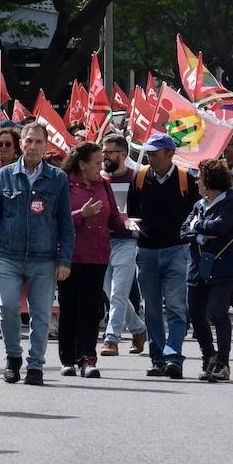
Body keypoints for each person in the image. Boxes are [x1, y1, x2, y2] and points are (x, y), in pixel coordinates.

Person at [0, 122, 73, 384]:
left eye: (38, 141)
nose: (33, 146)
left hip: (43, 257)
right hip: (9, 255)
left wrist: (65, 260)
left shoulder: (58, 178)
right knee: (8, 306)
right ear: (21, 143)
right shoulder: (4, 176)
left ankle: (35, 365)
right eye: (29, 141)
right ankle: (13, 357)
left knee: (42, 313)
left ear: (46, 146)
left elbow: (64, 223)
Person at [128, 133, 199, 378]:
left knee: (177, 307)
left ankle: (173, 357)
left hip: (176, 251)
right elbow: (133, 212)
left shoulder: (186, 179)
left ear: (170, 154)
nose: (150, 157)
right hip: (146, 252)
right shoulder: (138, 178)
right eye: (148, 152)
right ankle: (157, 358)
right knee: (151, 309)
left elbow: (196, 212)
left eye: (155, 153)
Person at [59, 142, 126, 377]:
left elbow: (113, 217)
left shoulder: (104, 184)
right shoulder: (64, 183)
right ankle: (67, 358)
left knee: (91, 309)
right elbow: (57, 220)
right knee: (69, 308)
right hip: (71, 256)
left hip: (97, 256)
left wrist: (125, 224)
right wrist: (81, 215)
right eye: (97, 163)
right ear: (82, 164)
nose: (101, 166)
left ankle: (88, 357)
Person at [181, 159, 233, 382]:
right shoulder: (198, 205)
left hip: (222, 265)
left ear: (210, 180)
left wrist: (197, 227)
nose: (197, 182)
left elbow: (221, 226)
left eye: (199, 178)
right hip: (198, 266)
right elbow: (183, 231)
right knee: (196, 315)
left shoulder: (230, 202)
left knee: (217, 312)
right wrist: (200, 233)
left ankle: (224, 362)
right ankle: (209, 356)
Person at [99, 133, 146, 356]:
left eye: (109, 152)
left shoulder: (136, 178)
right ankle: (138, 328)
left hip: (126, 242)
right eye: (103, 151)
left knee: (118, 291)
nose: (104, 156)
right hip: (101, 241)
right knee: (110, 292)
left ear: (123, 154)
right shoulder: (99, 179)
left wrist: (127, 218)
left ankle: (112, 339)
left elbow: (142, 211)